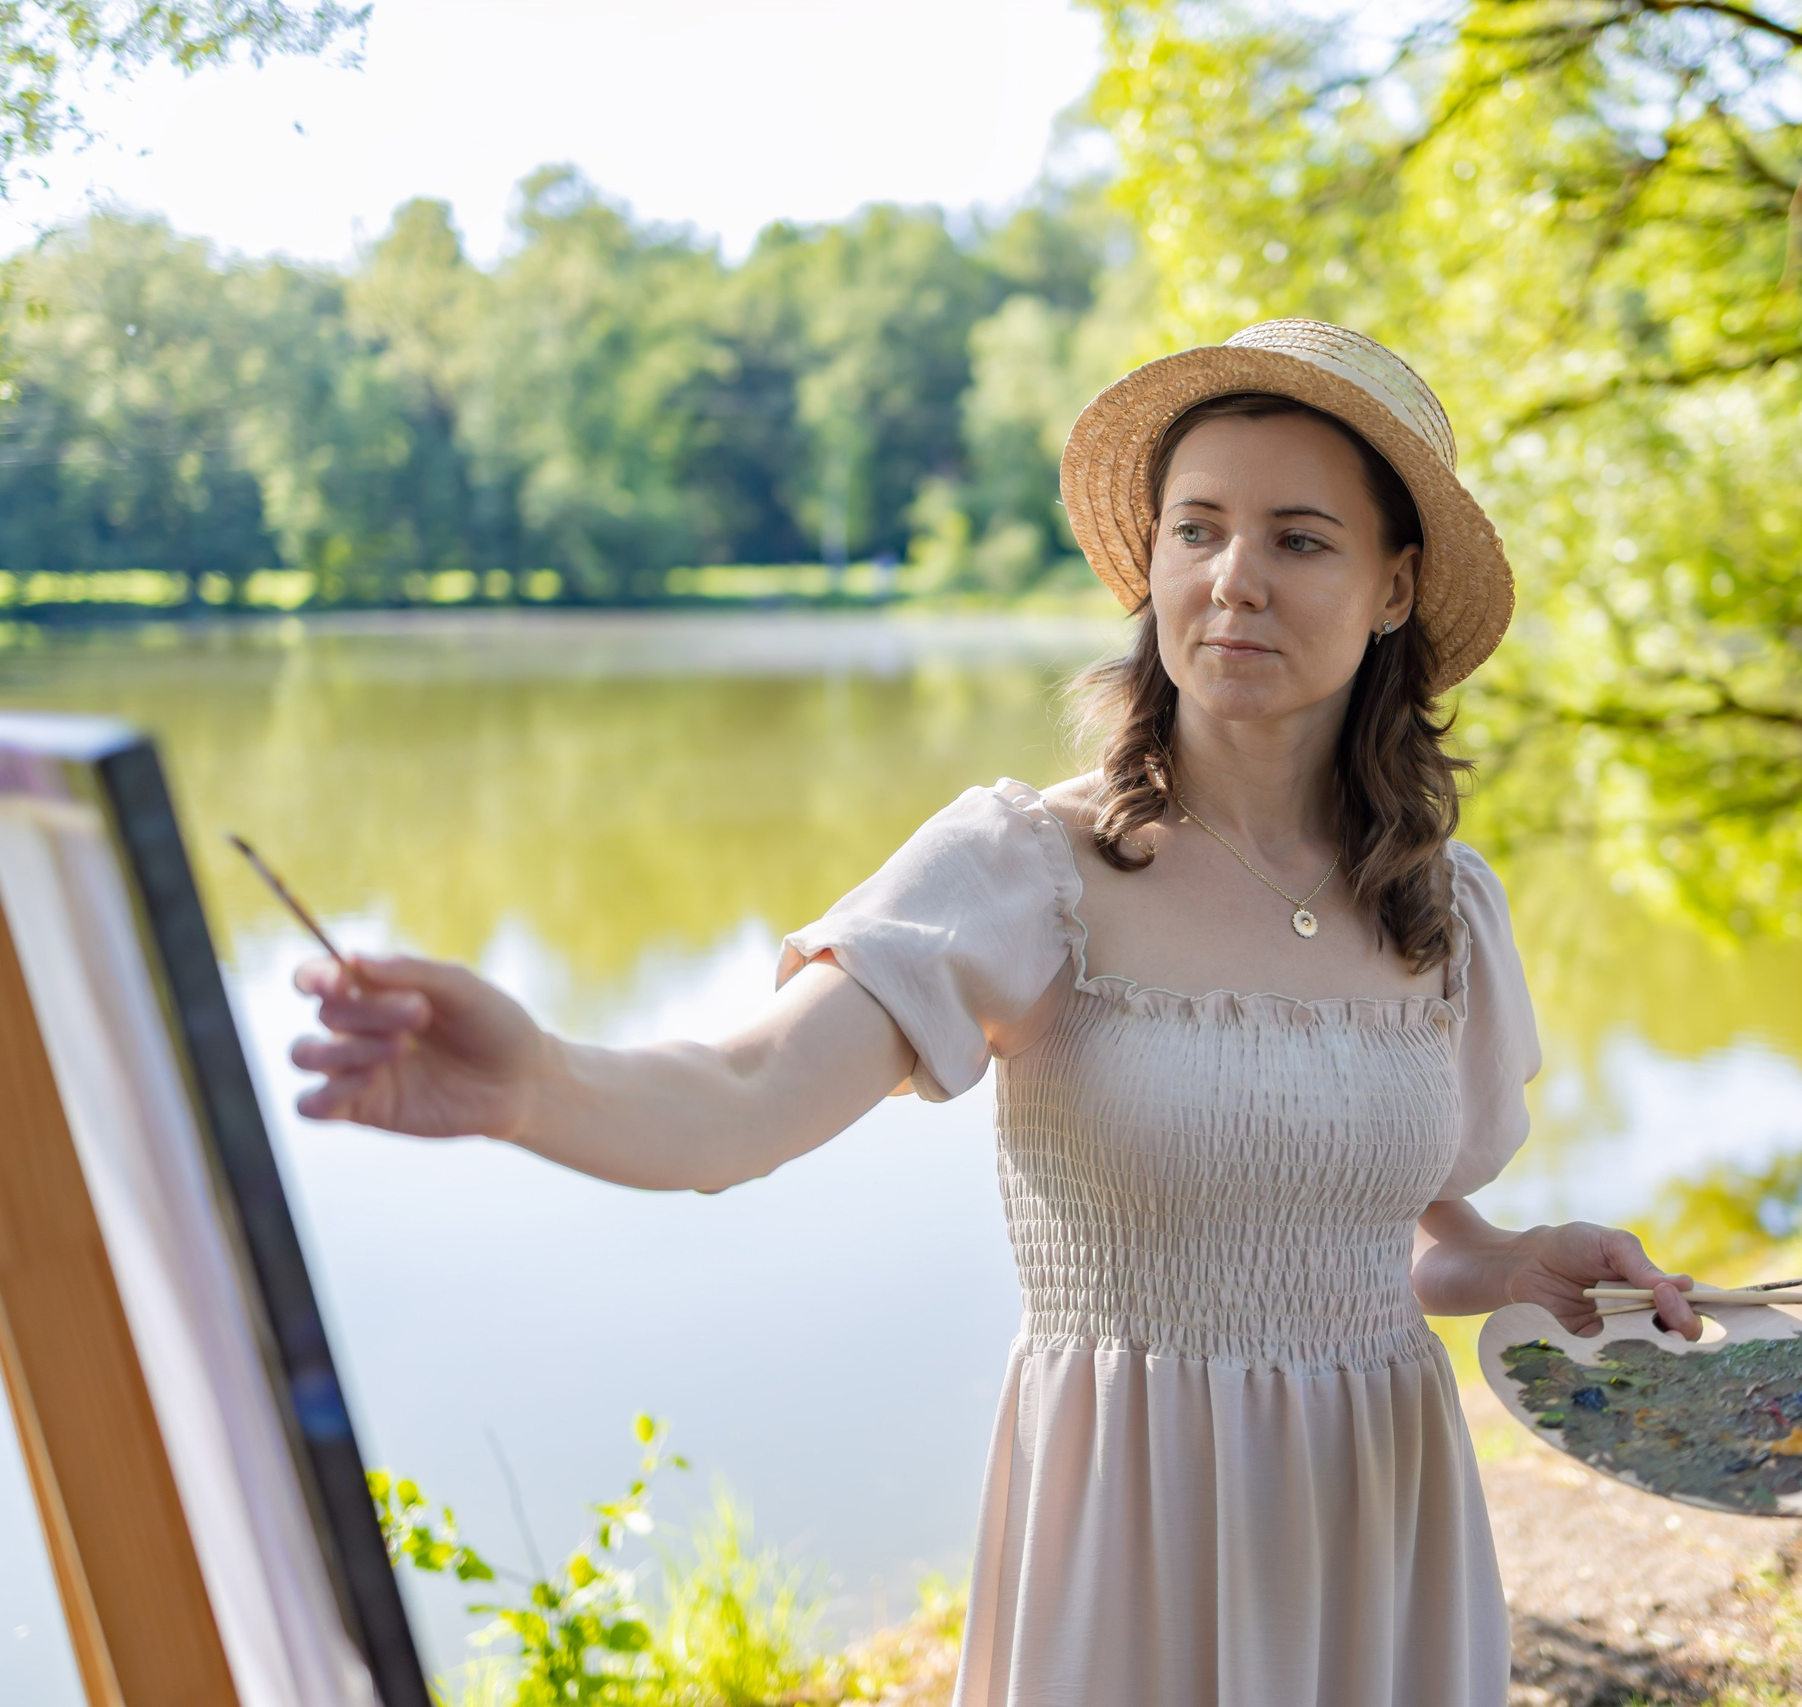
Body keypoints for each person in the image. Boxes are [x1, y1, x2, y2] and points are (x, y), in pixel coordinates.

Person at [292, 319, 1701, 1707]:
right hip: (1130, 1547)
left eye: (1300, 538)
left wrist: (1509, 1265)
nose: (1234, 580)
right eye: (1197, 528)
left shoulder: (1440, 907)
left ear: (1395, 587)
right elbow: (738, 1101)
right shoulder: (1027, 870)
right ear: (1148, 562)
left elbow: (1372, 1243)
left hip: (1375, 1529)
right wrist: (528, 1080)